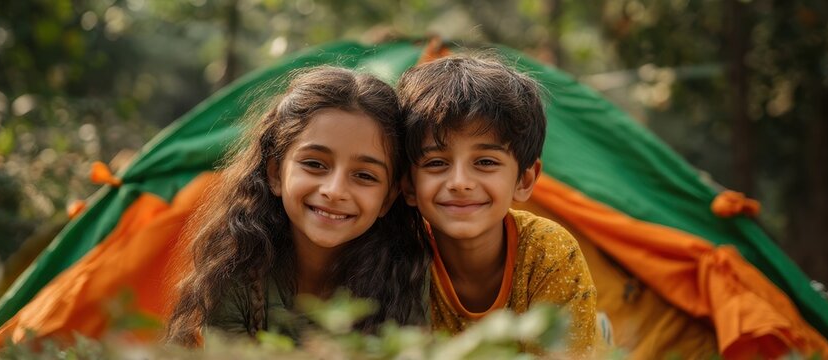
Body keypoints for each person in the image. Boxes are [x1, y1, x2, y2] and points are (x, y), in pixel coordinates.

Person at [166, 66, 428, 346]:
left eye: (364, 176)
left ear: (388, 198)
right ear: (276, 173)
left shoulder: (410, 279)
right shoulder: (235, 269)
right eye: (315, 164)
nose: (335, 191)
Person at [397, 54, 598, 355]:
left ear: (524, 181)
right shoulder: (396, 256)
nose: (460, 182)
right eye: (436, 163)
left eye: (486, 162)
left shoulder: (549, 253)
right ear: (408, 185)